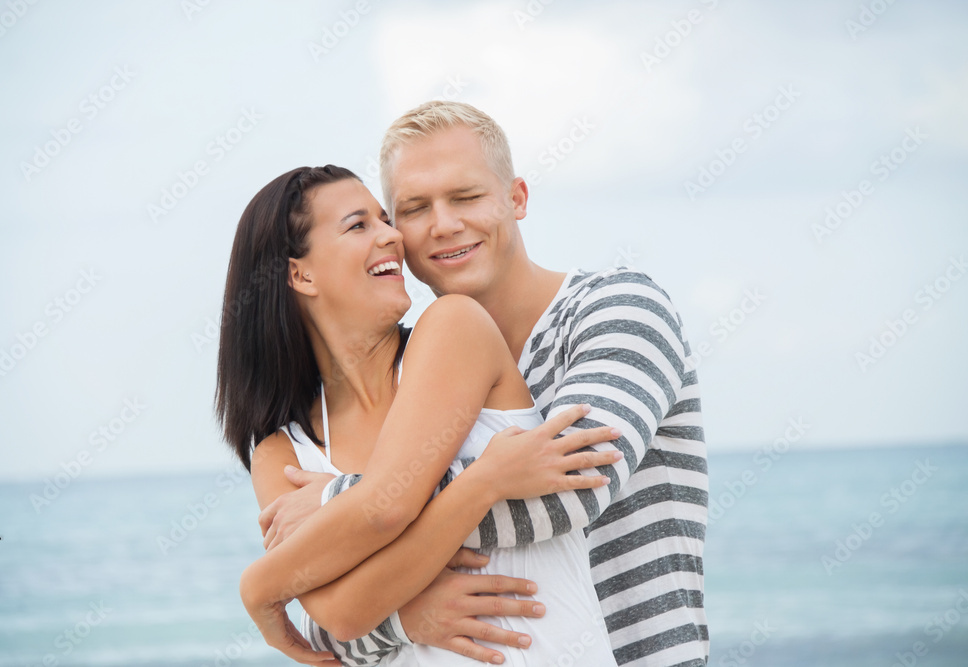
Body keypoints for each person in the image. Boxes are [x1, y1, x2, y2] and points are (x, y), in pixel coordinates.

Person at [262, 102, 709, 667]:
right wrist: (405, 614)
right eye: (415, 208)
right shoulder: (412, 374)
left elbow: (571, 490)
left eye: (466, 197)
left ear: (516, 198)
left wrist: (336, 507)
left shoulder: (618, 308)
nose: (443, 224)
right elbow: (324, 631)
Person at [215, 165, 624, 666]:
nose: (393, 237)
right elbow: (341, 613)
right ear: (300, 273)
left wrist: (260, 586)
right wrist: (484, 483)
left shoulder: (453, 327)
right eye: (358, 225)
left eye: (386, 220)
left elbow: (389, 504)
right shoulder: (281, 452)